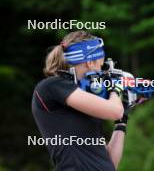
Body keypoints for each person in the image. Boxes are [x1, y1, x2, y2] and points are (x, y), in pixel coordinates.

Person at [31, 30, 128, 171]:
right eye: (101, 65)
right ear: (89, 62)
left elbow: (109, 163)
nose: (102, 70)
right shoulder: (52, 86)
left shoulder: (84, 100)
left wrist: (122, 121)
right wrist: (117, 87)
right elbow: (115, 111)